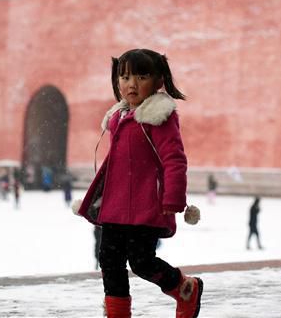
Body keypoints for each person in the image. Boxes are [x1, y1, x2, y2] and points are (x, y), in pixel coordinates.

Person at [75, 48, 202, 318]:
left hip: (146, 206)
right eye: (124, 77)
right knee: (109, 261)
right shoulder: (118, 118)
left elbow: (174, 159)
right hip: (115, 206)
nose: (131, 84)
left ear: (158, 82)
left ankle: (184, 288)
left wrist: (173, 197)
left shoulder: (160, 117)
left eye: (142, 76)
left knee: (142, 262)